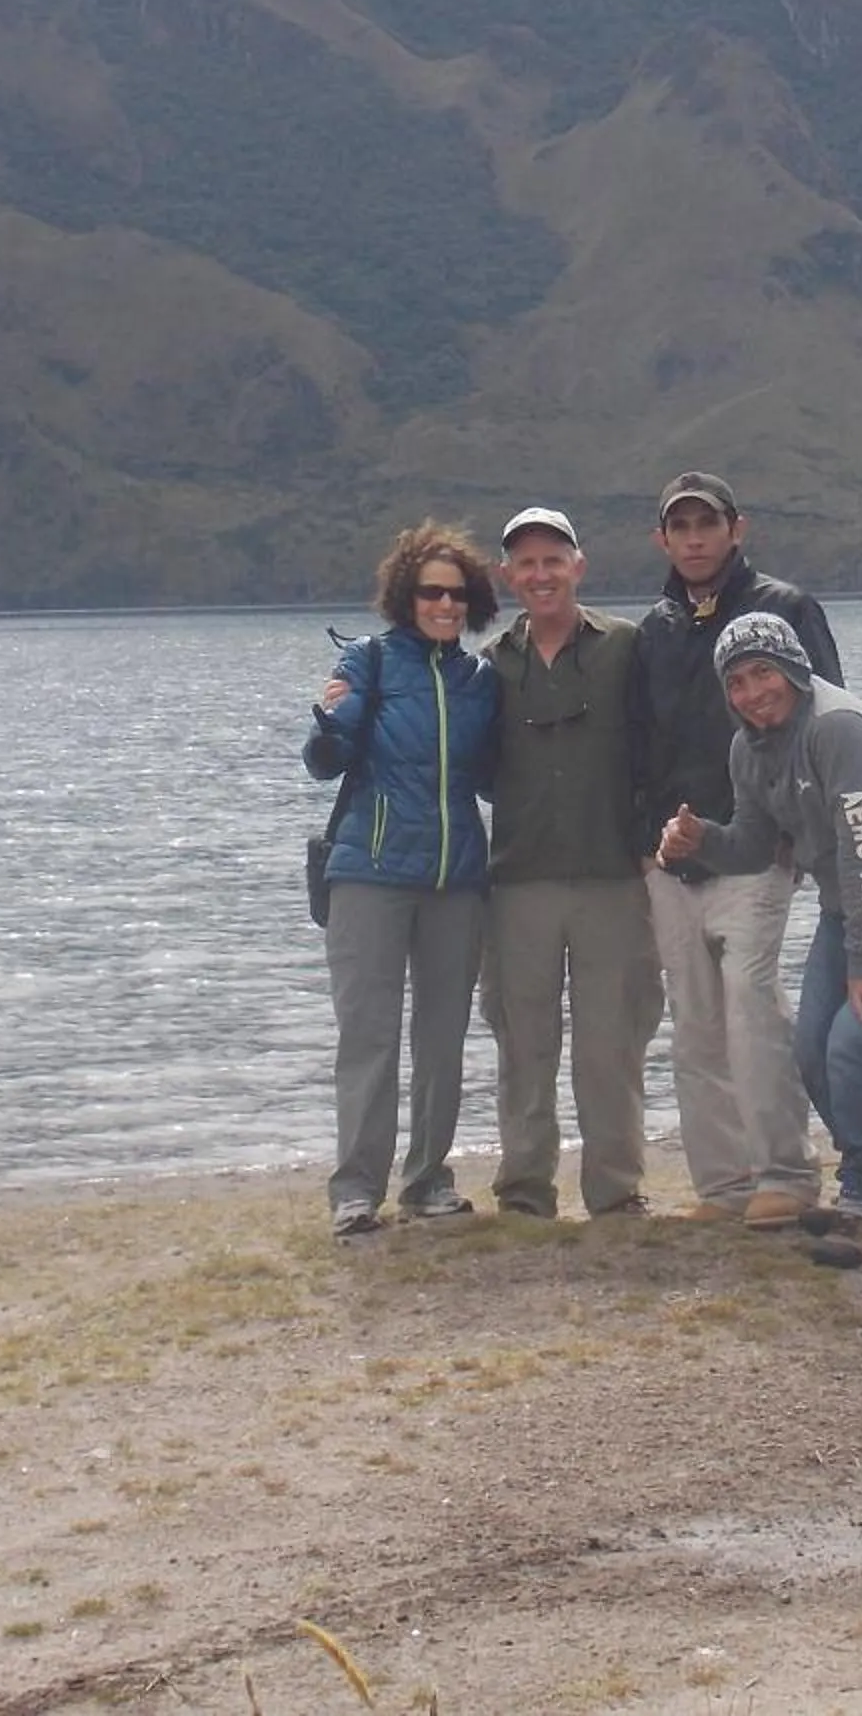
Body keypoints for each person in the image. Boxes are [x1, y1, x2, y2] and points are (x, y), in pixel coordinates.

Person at [658, 611, 862, 1270]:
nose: (751, 692)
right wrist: (700, 841)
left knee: (856, 1043)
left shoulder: (837, 731)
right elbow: (752, 842)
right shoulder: (748, 746)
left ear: (796, 671)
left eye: (764, 673)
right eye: (736, 681)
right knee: (811, 1050)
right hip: (849, 907)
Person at [633, 471, 843, 1229]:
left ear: (736, 529)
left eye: (707, 524)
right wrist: (645, 843)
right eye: (679, 526)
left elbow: (824, 724)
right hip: (668, 858)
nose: (694, 538)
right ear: (662, 539)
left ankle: (786, 1173)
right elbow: (641, 743)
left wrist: (794, 834)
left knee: (751, 1005)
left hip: (756, 851)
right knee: (693, 1022)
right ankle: (722, 1186)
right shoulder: (653, 629)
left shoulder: (785, 610)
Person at [303, 523, 502, 1239]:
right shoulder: (370, 662)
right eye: (431, 592)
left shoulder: (481, 682)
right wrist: (328, 727)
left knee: (444, 1036)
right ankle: (356, 1190)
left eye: (457, 593)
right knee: (368, 1035)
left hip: (457, 879)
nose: (445, 604)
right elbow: (326, 760)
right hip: (371, 873)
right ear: (405, 596)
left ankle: (428, 1182)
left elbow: (494, 776)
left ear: (473, 600)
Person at [481, 505, 661, 1219]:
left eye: (553, 560)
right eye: (525, 563)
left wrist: (658, 839)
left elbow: (660, 745)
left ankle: (615, 1190)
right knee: (523, 1044)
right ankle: (525, 1189)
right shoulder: (488, 666)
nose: (540, 574)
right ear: (507, 577)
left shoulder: (628, 648)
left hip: (614, 877)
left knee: (611, 1046)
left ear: (578, 567)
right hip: (517, 880)